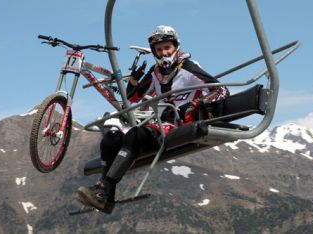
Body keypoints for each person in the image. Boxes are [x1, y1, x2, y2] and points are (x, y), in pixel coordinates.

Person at [75, 25, 229, 214]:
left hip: (180, 123)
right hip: (159, 123)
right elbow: (132, 98)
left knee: (135, 134)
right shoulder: (156, 72)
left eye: (167, 48)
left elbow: (221, 90)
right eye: (159, 49)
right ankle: (106, 198)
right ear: (154, 52)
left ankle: (103, 190)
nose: (164, 53)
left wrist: (198, 103)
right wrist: (133, 80)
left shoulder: (188, 67)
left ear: (175, 47)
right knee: (111, 139)